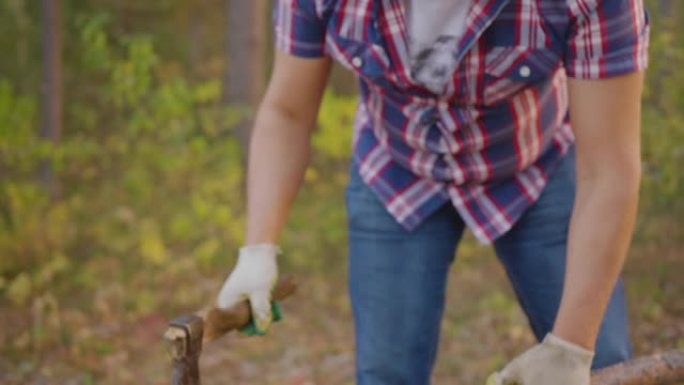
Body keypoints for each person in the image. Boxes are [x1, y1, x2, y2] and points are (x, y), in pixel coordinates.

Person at [216, 0, 650, 384]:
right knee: (387, 374)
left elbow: (609, 169)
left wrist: (570, 347)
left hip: (534, 166)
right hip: (396, 170)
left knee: (599, 366)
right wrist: (258, 247)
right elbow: (287, 113)